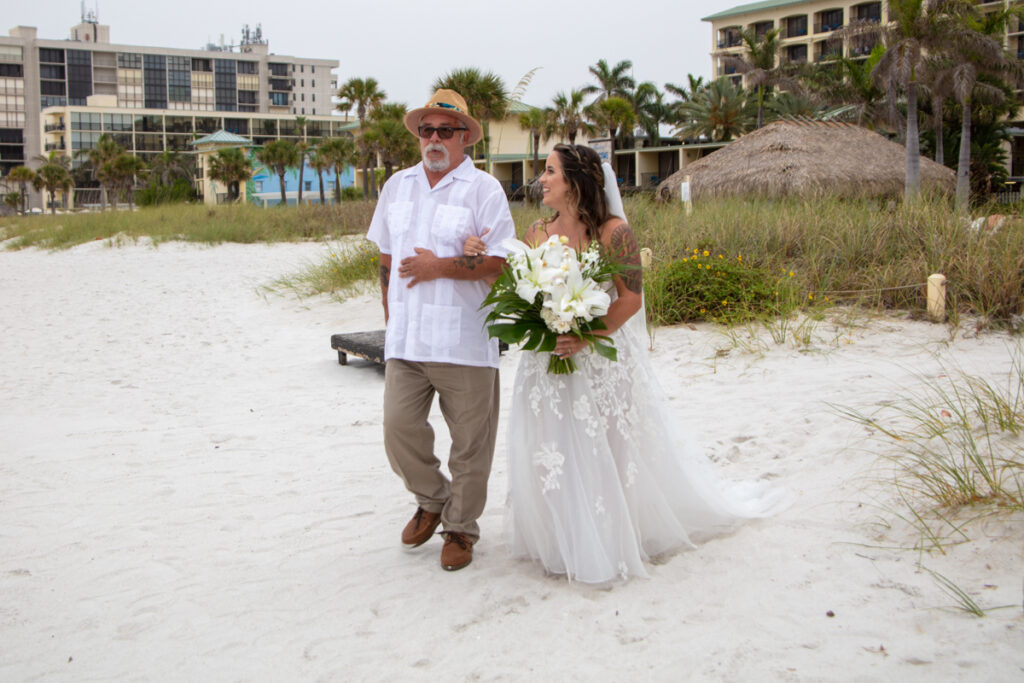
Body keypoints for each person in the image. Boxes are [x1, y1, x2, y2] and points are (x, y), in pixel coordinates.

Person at [464, 144, 786, 583]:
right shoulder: (537, 231)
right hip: (547, 361)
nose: (541, 179)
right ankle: (562, 538)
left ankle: (609, 536)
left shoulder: (614, 233)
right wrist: (476, 254)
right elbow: (518, 284)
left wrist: (583, 337)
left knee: (608, 449)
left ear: (575, 181)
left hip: (598, 358)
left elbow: (630, 299)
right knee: (551, 448)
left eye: (550, 171)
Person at [366, 89, 516, 571]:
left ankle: (460, 529)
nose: (433, 138)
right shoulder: (397, 186)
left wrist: (441, 267)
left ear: (464, 138)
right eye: (426, 130)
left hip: (464, 340)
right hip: (406, 341)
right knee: (398, 429)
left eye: (445, 131)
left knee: (471, 443)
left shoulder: (484, 190)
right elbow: (386, 260)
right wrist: (391, 320)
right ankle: (431, 499)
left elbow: (500, 264)